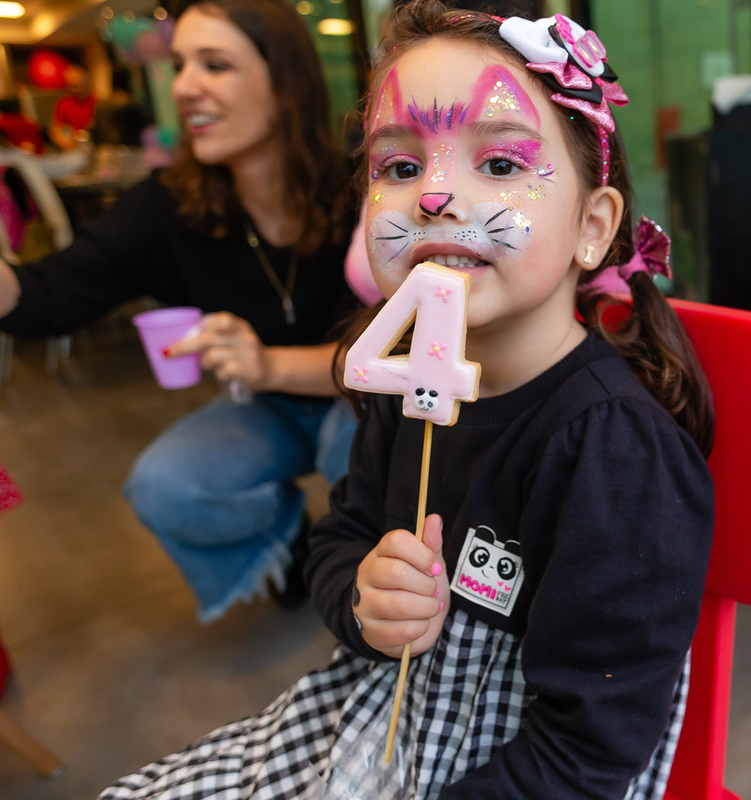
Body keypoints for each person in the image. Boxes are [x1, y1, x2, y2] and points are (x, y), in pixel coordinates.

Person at [100, 3, 717, 799]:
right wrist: (362, 596)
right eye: (397, 167)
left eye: (498, 165)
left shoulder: (614, 452)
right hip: (375, 717)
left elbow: (588, 750)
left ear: (592, 228)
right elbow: (339, 538)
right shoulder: (407, 385)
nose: (432, 197)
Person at [0, 0, 360, 622]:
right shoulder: (168, 205)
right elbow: (50, 295)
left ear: (286, 84)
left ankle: (368, 575)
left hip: (361, 395)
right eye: (180, 64)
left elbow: (389, 357)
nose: (185, 85)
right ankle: (289, 534)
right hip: (265, 404)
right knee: (166, 486)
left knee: (353, 454)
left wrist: (265, 363)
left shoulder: (360, 190)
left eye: (215, 65)